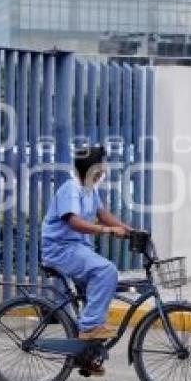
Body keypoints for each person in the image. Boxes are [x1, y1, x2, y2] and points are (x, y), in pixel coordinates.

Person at [41, 145, 133, 342]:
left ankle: (86, 354)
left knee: (95, 290)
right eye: (102, 166)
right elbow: (73, 222)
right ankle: (89, 327)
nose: (104, 170)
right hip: (61, 249)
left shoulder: (90, 190)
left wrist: (130, 231)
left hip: (78, 250)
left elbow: (103, 215)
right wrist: (106, 230)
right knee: (106, 271)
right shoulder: (70, 189)